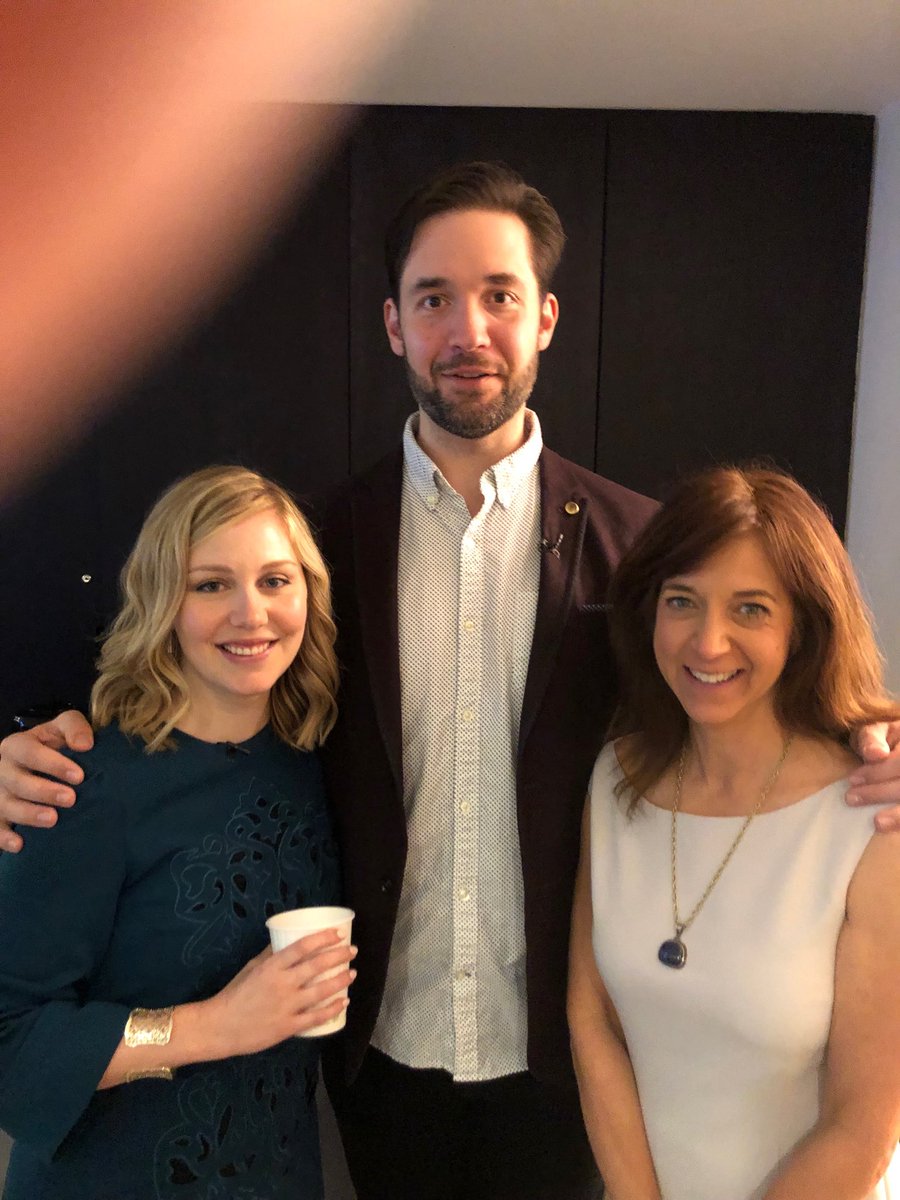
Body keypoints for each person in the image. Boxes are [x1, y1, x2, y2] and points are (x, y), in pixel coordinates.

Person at [2, 163, 900, 1200]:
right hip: (378, 1058)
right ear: (394, 324)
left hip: (574, 1058)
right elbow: (196, 701)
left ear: (547, 317)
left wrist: (868, 736)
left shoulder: (647, 552)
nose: (467, 328)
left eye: (500, 295)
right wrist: (26, 751)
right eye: (434, 298)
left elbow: (738, 697)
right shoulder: (317, 549)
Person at [0, 465, 355, 1200]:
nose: (250, 614)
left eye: (275, 581)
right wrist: (218, 1025)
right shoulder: (83, 784)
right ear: (164, 601)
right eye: (211, 584)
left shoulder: (319, 766)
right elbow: (10, 1039)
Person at [568, 465, 900, 1200]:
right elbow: (592, 1024)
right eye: (682, 601)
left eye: (751, 610)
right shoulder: (616, 779)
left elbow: (864, 1124)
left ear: (803, 628)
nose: (708, 642)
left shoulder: (873, 814)